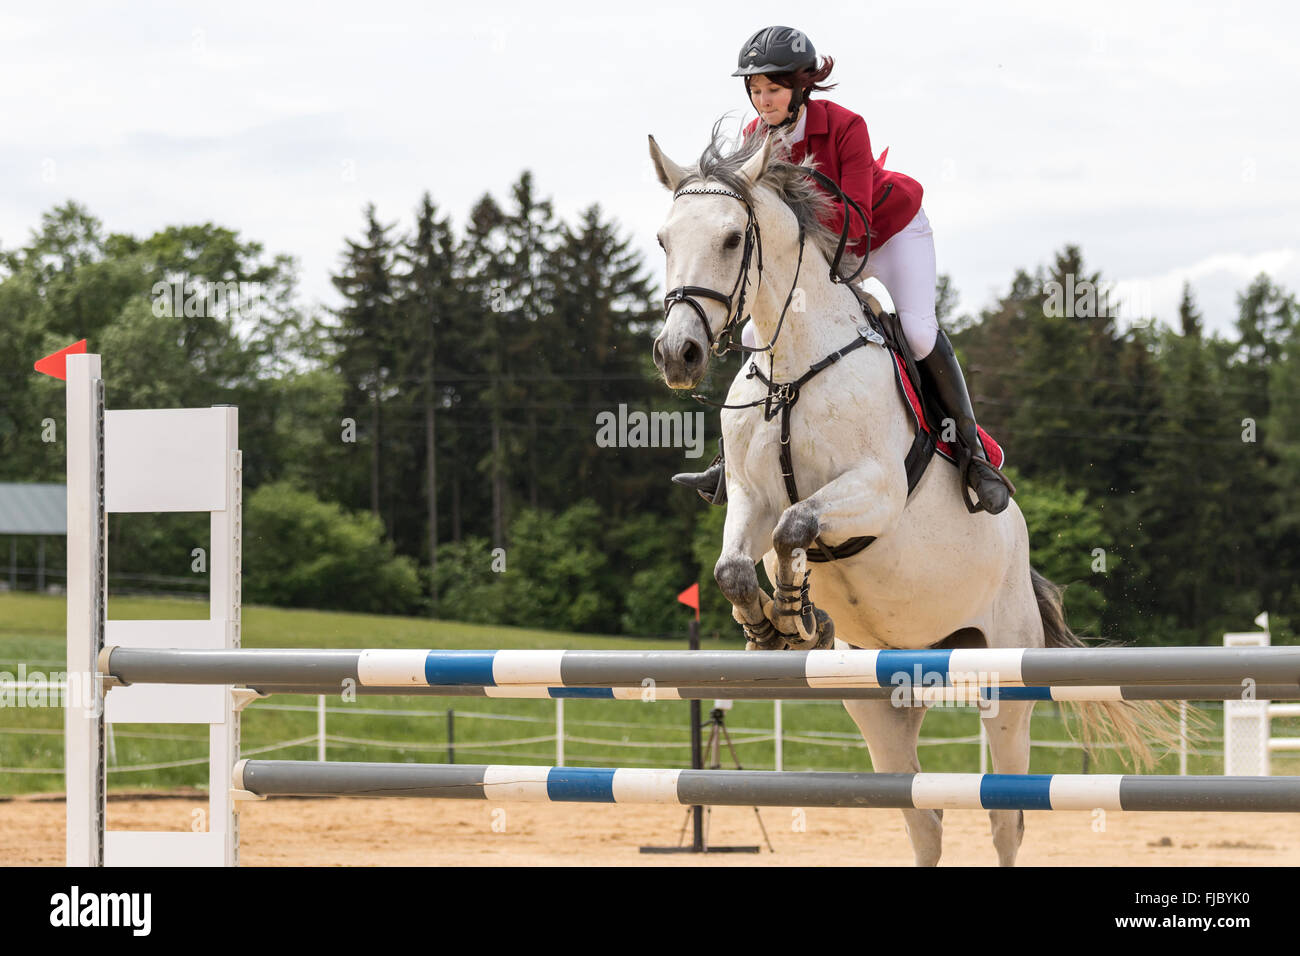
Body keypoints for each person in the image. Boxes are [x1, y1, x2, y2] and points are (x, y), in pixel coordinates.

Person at [673, 25, 1015, 515]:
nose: (763, 101)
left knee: (918, 333)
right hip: (819, 252)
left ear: (801, 87)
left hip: (886, 235)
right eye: (755, 90)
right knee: (753, 334)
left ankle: (972, 453)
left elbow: (856, 218)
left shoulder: (846, 125)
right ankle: (730, 460)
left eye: (773, 90)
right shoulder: (753, 139)